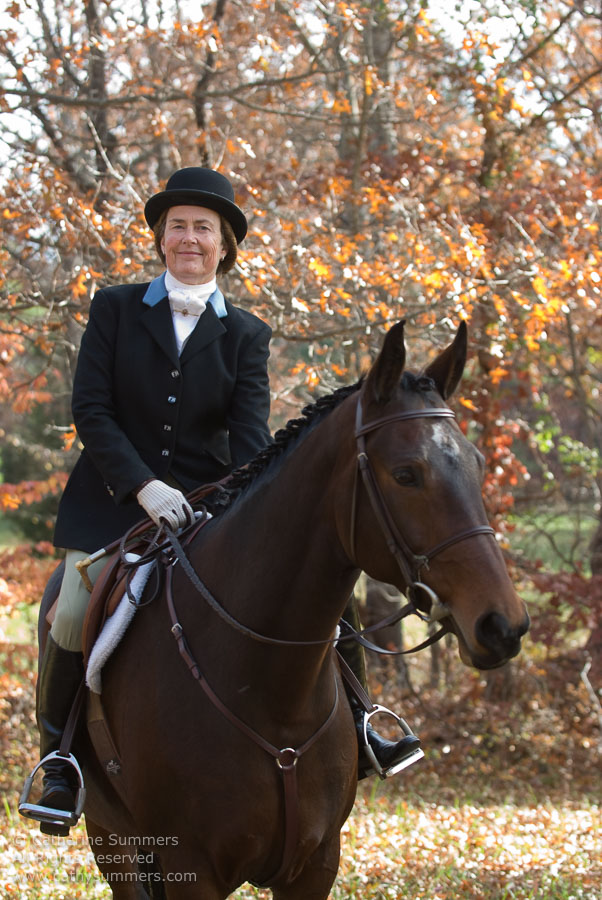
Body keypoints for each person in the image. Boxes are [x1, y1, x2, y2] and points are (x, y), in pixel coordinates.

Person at [24, 167, 420, 837]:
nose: (188, 238)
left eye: (202, 228)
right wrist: (143, 484)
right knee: (68, 606)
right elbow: (91, 410)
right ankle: (60, 764)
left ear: (224, 244)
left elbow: (249, 438)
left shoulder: (246, 333)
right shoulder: (114, 308)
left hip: (207, 508)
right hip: (115, 503)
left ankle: (361, 725)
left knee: (324, 593)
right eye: (176, 225)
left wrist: (246, 505)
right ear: (159, 237)